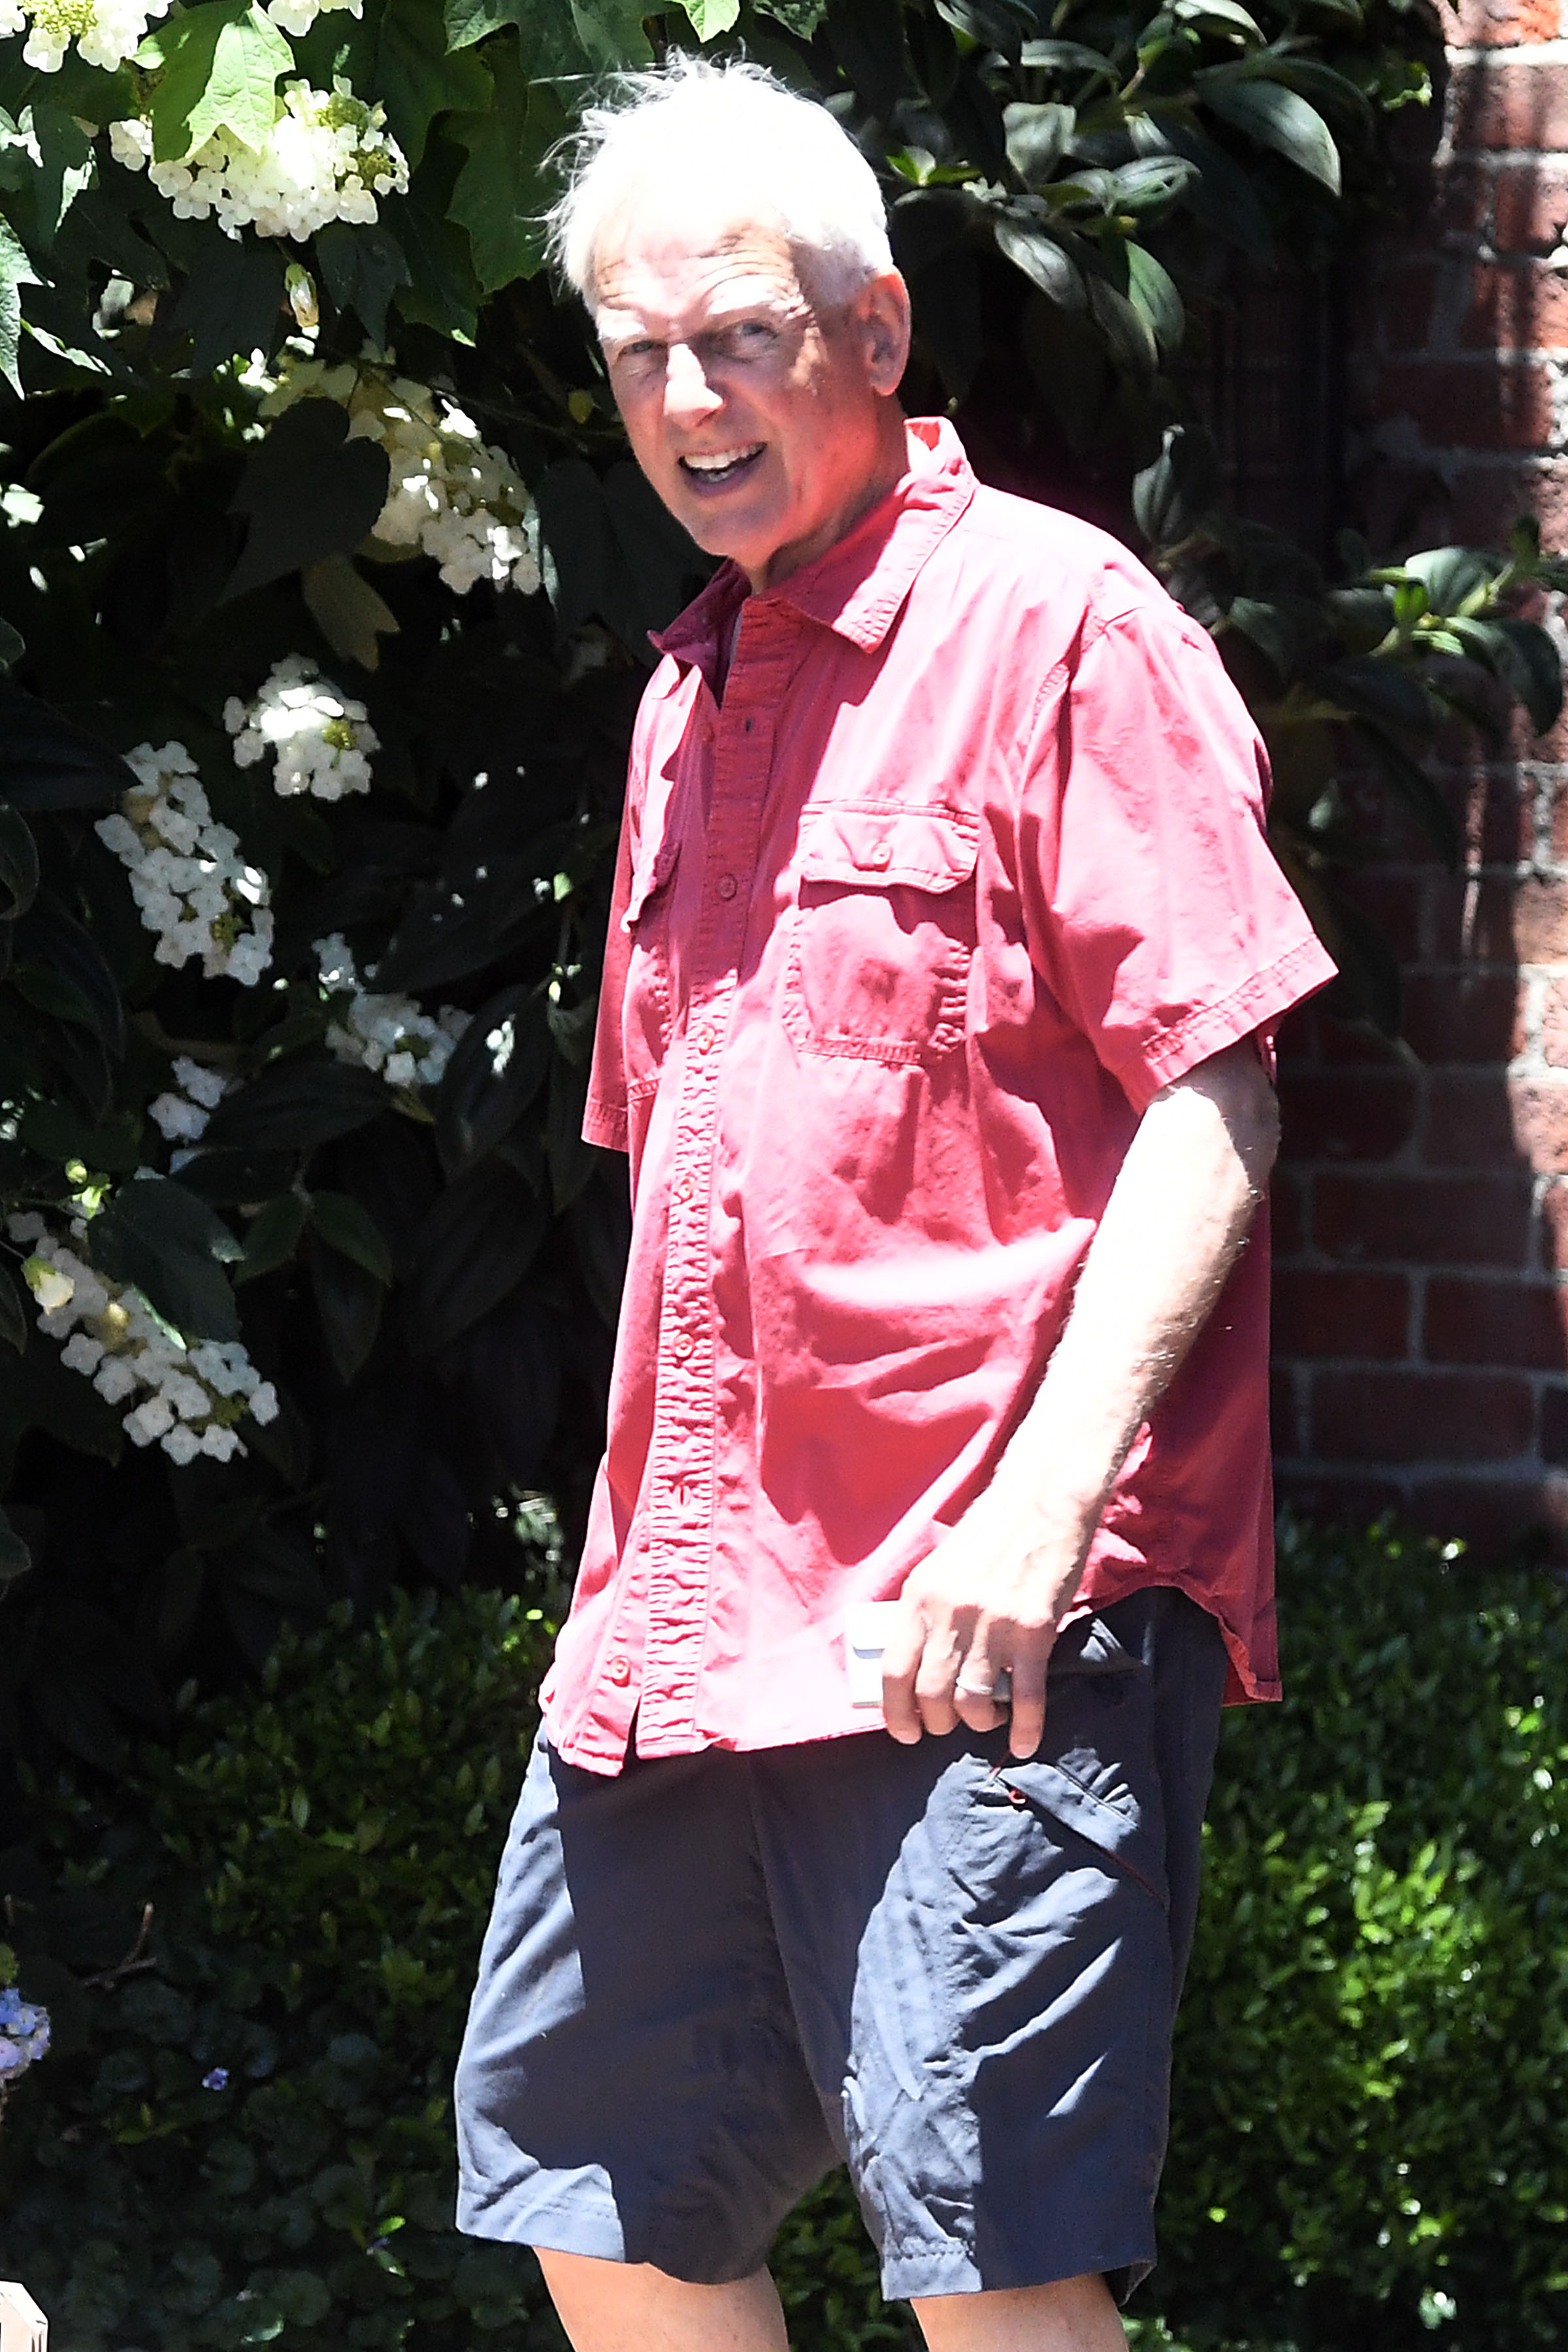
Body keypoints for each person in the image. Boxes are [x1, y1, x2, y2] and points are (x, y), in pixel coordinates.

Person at [455, 54, 1337, 2352]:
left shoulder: (1066, 629)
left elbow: (1216, 1089)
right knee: (607, 2207)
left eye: (736, 332)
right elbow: (705, 1204)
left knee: (1000, 2280)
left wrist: (1044, 1513)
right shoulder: (686, 696)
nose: (685, 396)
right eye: (638, 353)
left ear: (875, 331)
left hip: (982, 1608)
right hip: (690, 1626)